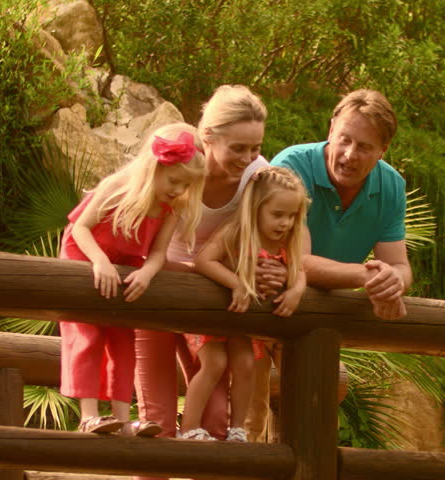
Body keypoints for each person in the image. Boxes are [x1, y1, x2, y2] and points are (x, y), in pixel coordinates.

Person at [246, 89, 413, 441]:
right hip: (263, 305)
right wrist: (369, 276)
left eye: (365, 147)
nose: (350, 155)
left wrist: (393, 282)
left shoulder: (392, 186)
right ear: (331, 129)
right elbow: (297, 262)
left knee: (321, 402)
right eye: (344, 140)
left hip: (317, 318)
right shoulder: (292, 167)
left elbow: (398, 264)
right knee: (248, 411)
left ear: (383, 151)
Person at [133, 85, 276, 471]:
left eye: (254, 147)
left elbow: (276, 235)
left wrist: (270, 270)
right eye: (237, 148)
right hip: (161, 292)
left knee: (215, 421)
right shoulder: (181, 167)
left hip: (214, 303)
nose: (247, 158)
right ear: (208, 136)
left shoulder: (257, 176)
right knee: (157, 421)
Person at [59, 122, 206, 437]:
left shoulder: (169, 209)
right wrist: (98, 261)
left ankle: (123, 420)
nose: (179, 191)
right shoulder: (117, 188)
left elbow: (157, 254)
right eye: (174, 181)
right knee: (89, 336)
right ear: (155, 167)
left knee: (123, 339)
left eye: (185, 186)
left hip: (125, 265)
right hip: (86, 256)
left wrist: (147, 273)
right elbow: (81, 228)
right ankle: (88, 416)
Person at [183, 166, 309, 442]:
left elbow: (300, 271)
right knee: (215, 363)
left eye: (291, 216)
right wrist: (236, 283)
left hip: (241, 324)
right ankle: (189, 426)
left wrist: (295, 292)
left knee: (246, 364)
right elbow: (204, 261)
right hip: (216, 316)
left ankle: (237, 429)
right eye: (278, 215)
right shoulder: (237, 233)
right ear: (256, 208)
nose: (285, 223)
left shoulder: (287, 242)